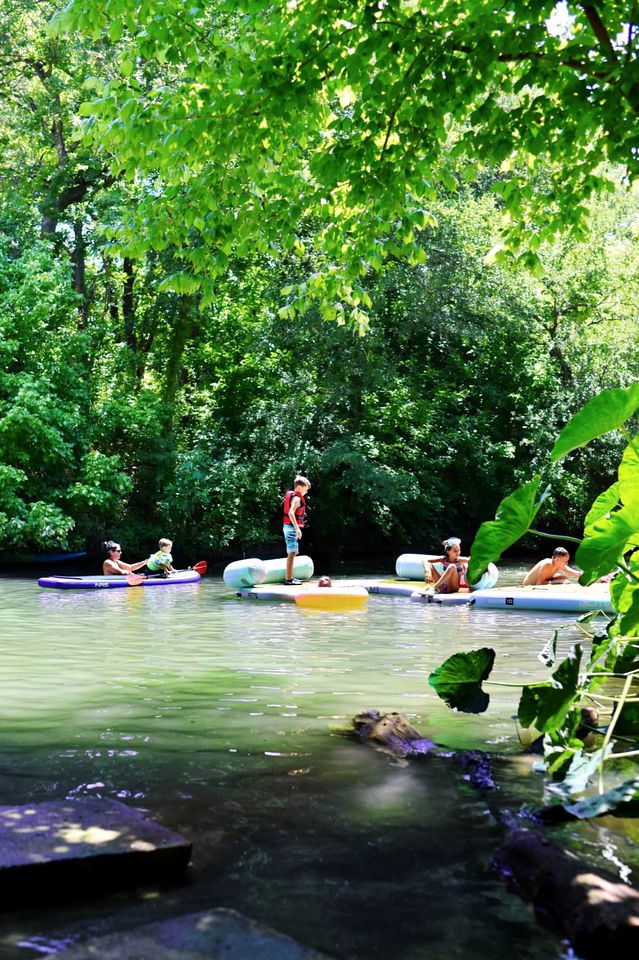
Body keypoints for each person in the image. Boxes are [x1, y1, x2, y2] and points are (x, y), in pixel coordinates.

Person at [283, 475, 311, 585]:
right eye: (306, 489)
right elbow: (291, 513)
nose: (307, 492)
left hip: (289, 527)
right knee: (292, 552)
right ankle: (289, 579)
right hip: (291, 528)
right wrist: (297, 529)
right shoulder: (296, 498)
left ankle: (289, 577)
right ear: (299, 487)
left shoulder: (296, 497)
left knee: (292, 552)